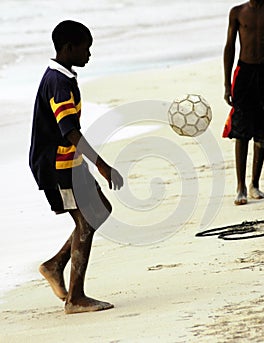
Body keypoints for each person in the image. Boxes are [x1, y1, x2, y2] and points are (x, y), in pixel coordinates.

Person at [29, 20, 124, 314]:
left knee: (100, 210)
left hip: (70, 159)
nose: (90, 55)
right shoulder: (58, 83)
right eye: (86, 48)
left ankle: (55, 265)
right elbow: (70, 130)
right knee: (86, 220)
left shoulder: (65, 76)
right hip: (57, 165)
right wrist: (102, 165)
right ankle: (75, 298)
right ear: (69, 48)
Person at [222, 0, 264, 205]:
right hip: (244, 73)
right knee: (241, 130)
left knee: (263, 129)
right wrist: (227, 84)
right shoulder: (237, 12)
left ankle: (255, 184)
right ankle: (240, 186)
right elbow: (229, 47)